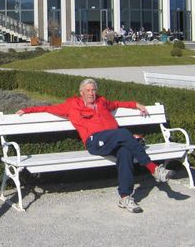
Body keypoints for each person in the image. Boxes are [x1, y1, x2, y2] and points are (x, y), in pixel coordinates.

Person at [16, 78, 173, 213]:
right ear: (81, 92)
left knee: (125, 152)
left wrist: (135, 104)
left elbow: (117, 103)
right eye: (88, 90)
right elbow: (47, 108)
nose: (92, 93)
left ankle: (125, 198)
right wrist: (26, 110)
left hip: (114, 139)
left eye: (93, 90)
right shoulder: (72, 104)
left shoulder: (102, 101)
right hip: (94, 141)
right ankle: (153, 168)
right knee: (124, 133)